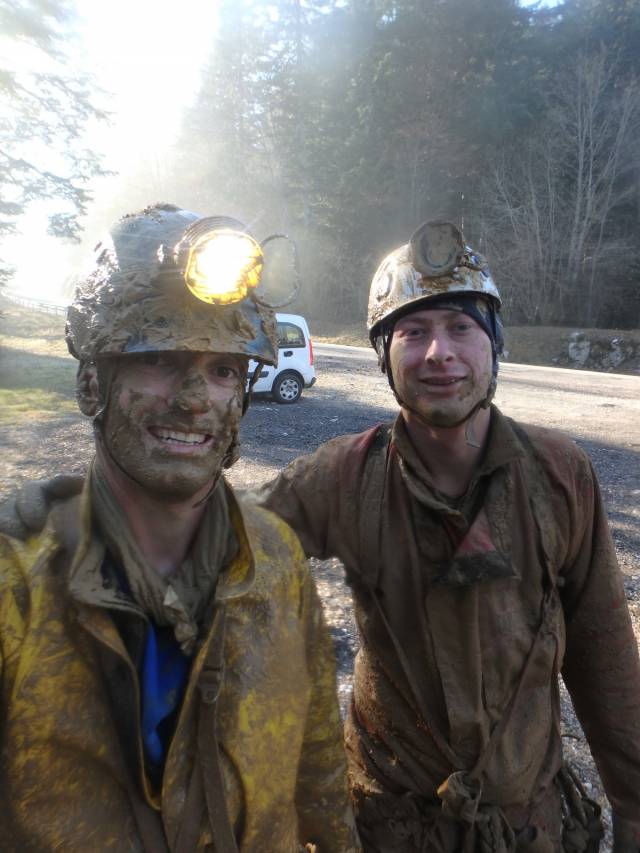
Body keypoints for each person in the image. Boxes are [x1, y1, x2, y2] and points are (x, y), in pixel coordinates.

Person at [250, 221, 640, 851]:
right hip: (387, 828)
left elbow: (604, 651)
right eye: (413, 332)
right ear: (384, 355)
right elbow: (220, 552)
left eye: (461, 327)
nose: (439, 353)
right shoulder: (344, 476)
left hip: (528, 829)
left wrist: (634, 805)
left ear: (494, 345)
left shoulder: (558, 475)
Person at [0, 203, 359, 852]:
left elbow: (319, 769)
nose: (195, 397)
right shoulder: (16, 583)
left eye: (223, 370)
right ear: (92, 383)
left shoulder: (276, 559)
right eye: (160, 359)